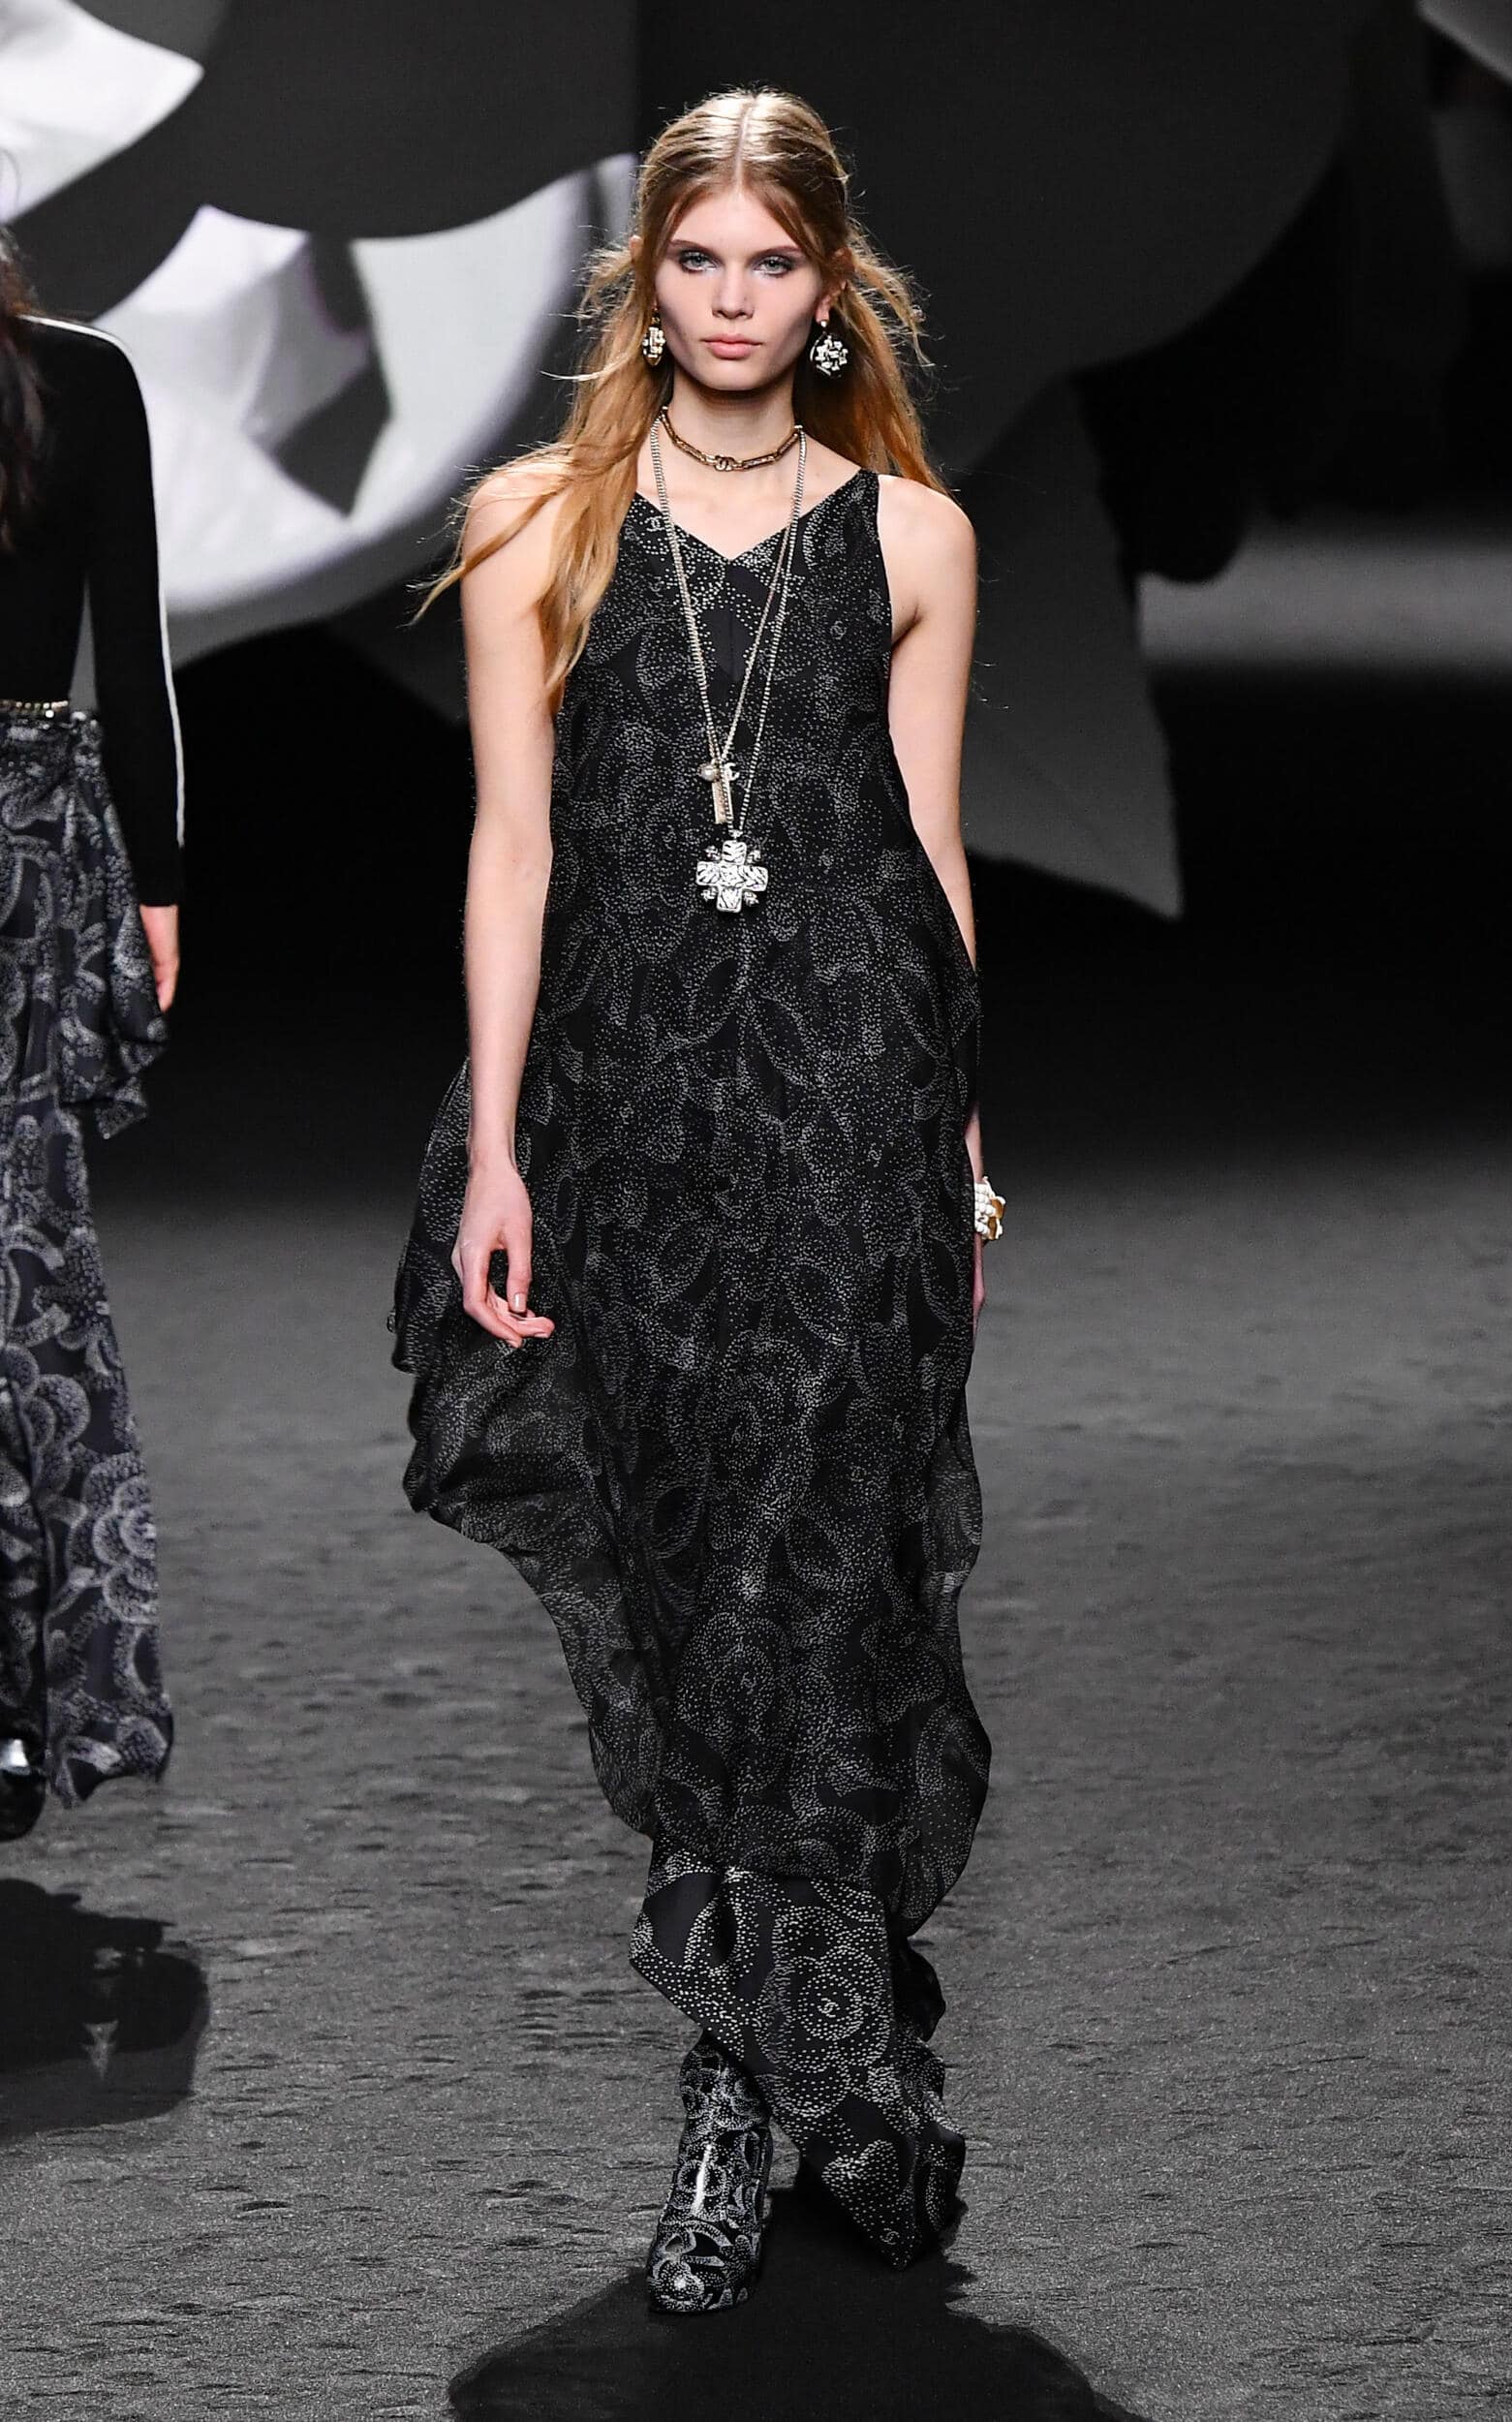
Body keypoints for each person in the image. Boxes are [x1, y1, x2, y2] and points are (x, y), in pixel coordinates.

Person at [391, 87, 1004, 2311]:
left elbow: (924, 853)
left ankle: (742, 2096)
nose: (732, 299)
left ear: (827, 289)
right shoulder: (534, 523)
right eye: (696, 259)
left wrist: (953, 1142)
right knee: (684, 1581)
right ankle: (831, 2053)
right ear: (644, 280)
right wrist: (498, 1143)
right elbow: (510, 849)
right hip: (628, 1114)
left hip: (847, 1109)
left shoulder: (911, 539)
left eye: (771, 262)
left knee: (814, 1579)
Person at [0, 229, 181, 1842]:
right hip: (22, 853)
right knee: (18, 1261)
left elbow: (131, 644)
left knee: (22, 1257)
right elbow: (129, 648)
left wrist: (158, 878)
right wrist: (156, 882)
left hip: (23, 867)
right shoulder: (76, 378)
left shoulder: (69, 378)